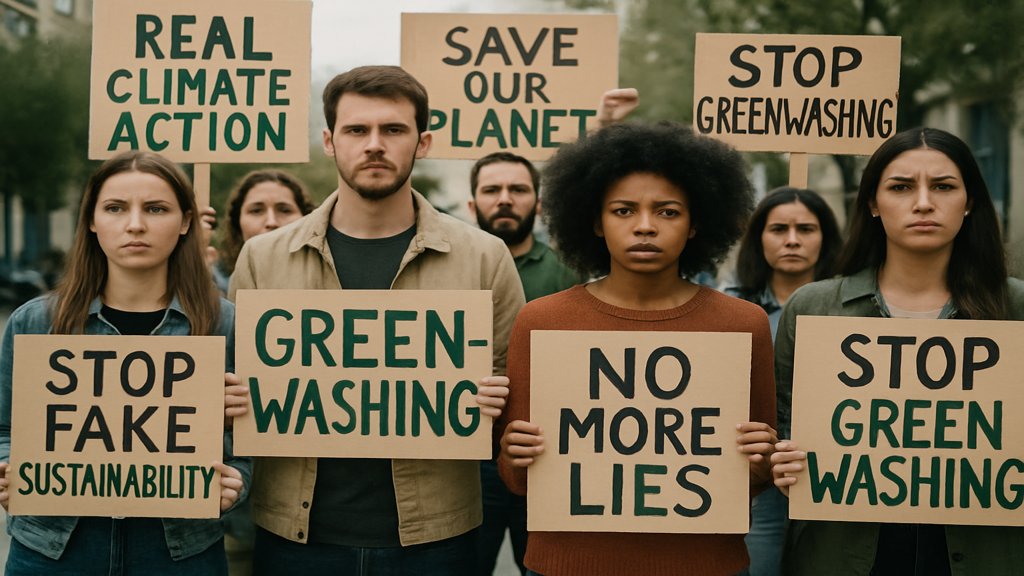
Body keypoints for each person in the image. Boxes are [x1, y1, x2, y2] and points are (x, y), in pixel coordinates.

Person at [224, 65, 525, 575]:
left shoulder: (484, 256)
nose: (374, 145)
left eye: (393, 129)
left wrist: (495, 404)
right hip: (296, 539)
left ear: (423, 142)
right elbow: (234, 391)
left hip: (436, 540)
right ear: (330, 141)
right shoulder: (262, 257)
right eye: (357, 130)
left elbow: (514, 395)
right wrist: (229, 398)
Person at [497, 121, 777, 576]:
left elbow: (754, 476)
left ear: (695, 224)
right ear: (595, 221)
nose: (645, 227)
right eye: (623, 211)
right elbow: (519, 479)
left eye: (668, 212)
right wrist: (513, 454)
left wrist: (762, 459)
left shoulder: (743, 324)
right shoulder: (542, 321)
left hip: (703, 564)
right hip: (568, 564)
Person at [771, 127, 1024, 576]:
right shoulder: (812, 307)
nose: (923, 203)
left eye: (943, 186)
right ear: (873, 202)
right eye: (901, 187)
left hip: (981, 549)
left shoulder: (1017, 307)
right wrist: (781, 459)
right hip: (842, 551)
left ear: (969, 202)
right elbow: (781, 425)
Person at [0, 150, 250, 575]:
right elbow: (5, 429)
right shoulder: (35, 322)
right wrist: (8, 468)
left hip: (179, 550)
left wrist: (235, 482)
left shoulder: (227, 324)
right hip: (53, 548)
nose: (135, 224)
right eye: (115, 208)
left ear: (186, 222)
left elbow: (250, 445)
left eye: (156, 209)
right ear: (92, 220)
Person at [468, 151, 581, 575]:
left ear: (538, 203)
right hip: (466, 460)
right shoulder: (448, 269)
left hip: (545, 455)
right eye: (491, 190)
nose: (504, 199)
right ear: (472, 203)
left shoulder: (569, 274)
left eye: (517, 189)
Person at [723, 187, 841, 576]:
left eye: (805, 229)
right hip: (757, 480)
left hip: (834, 473)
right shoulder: (731, 309)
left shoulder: (855, 310)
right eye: (778, 229)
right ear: (759, 238)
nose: (792, 240)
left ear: (825, 237)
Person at [212, 170, 316, 294]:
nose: (271, 222)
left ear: (306, 218)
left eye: (285, 210)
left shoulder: (326, 279)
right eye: (256, 211)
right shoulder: (216, 286)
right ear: (237, 223)